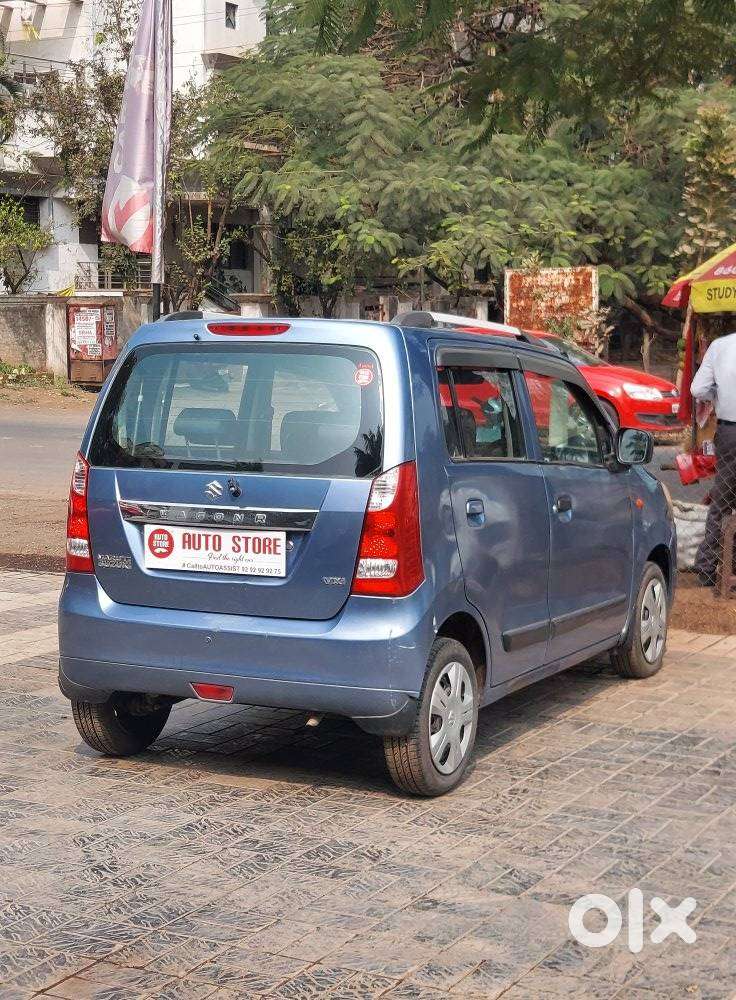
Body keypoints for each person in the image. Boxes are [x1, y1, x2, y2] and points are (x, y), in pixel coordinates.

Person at [690, 331, 736, 585]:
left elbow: (697, 389)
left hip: (729, 433)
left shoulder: (720, 346)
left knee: (722, 499)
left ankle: (707, 567)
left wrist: (718, 395)